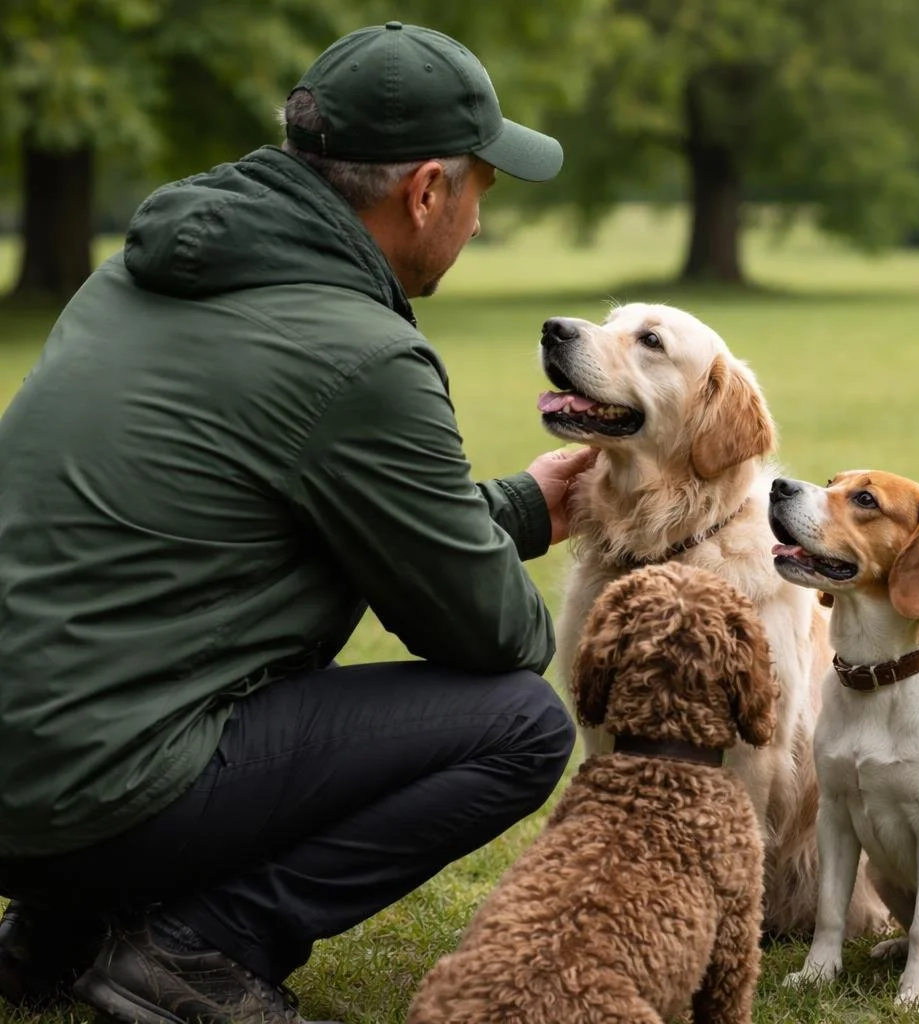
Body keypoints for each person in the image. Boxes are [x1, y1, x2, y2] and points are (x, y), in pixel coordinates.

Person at [0, 22, 593, 1024]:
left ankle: (52, 937)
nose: (479, 224)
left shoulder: (133, 278)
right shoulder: (359, 359)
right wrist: (485, 534)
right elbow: (496, 635)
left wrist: (524, 507)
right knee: (518, 725)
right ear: (426, 191)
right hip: (92, 792)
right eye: (482, 192)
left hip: (31, 775)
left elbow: (254, 520)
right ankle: (197, 950)